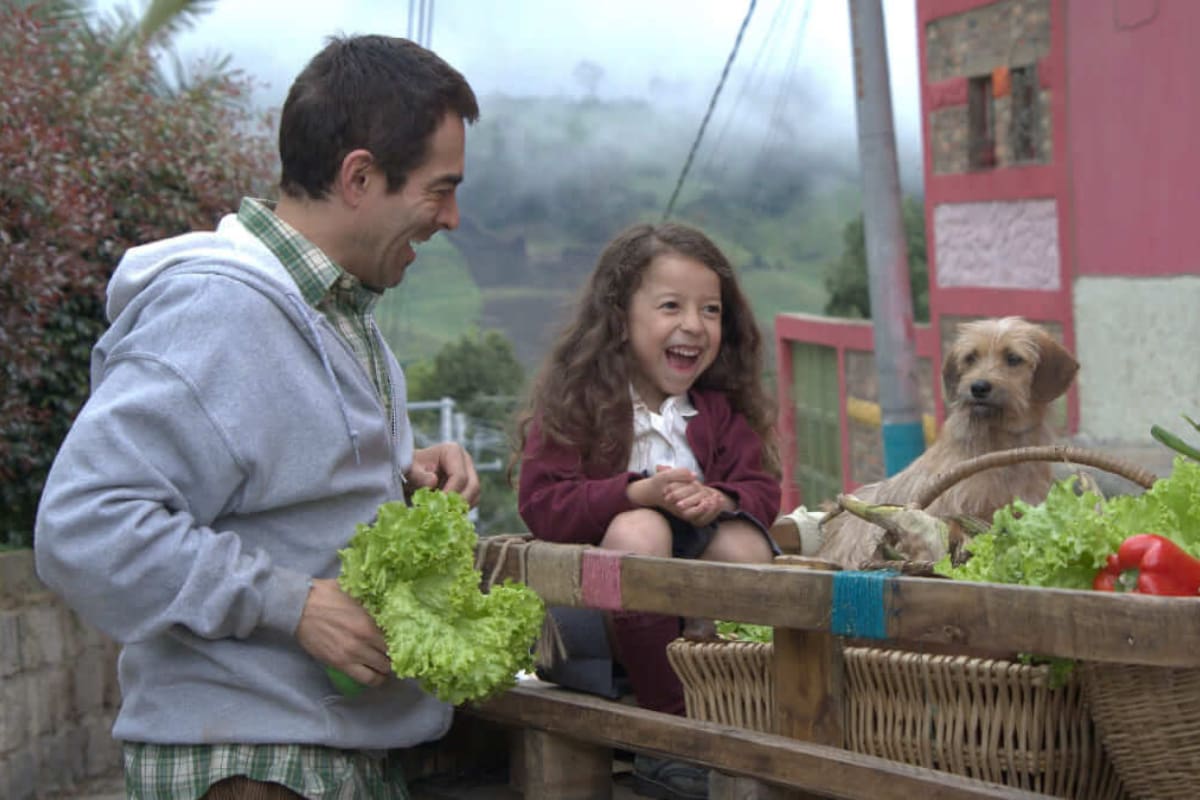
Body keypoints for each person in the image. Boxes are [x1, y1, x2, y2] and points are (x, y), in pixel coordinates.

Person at [34, 35, 482, 799]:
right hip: (253, 768)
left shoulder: (338, 318)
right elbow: (86, 525)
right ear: (360, 176)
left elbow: (272, 490)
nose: (452, 218)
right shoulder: (219, 311)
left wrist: (396, 482)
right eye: (440, 189)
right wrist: (292, 603)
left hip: (305, 755)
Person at [512, 221, 781, 800]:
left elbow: (762, 488)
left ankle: (737, 698)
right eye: (670, 306)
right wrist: (632, 493)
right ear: (619, 316)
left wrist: (721, 500)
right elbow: (542, 505)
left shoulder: (717, 412)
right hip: (598, 624)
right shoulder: (579, 405)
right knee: (639, 530)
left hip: (696, 617)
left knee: (745, 542)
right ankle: (668, 733)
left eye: (710, 310)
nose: (693, 324)